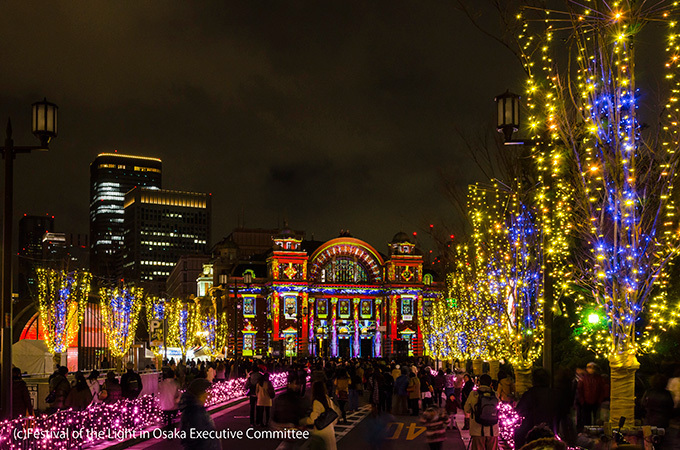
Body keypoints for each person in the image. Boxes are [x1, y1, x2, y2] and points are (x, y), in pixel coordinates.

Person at [514, 368, 560, 449]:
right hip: (551, 429)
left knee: (518, 437)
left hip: (531, 429)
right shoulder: (555, 394)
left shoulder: (530, 394)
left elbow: (519, 410)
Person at [180, 378, 220, 450]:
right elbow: (199, 439)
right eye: (206, 391)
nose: (208, 395)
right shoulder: (195, 413)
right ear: (200, 393)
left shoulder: (195, 409)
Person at [465, 374, 499, 450]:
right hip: (493, 430)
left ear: (479, 383)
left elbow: (466, 409)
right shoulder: (495, 394)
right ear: (491, 384)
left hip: (478, 430)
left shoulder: (474, 394)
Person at [302, 381, 340, 450]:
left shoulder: (317, 402)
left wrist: (303, 421)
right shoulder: (328, 399)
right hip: (330, 430)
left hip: (321, 433)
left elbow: (312, 420)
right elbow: (335, 413)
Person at [576, 362, 606, 430]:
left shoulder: (598, 378)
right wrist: (582, 401)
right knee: (586, 419)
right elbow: (580, 390)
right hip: (586, 402)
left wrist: (599, 400)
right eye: (589, 367)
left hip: (596, 401)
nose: (591, 369)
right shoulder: (584, 379)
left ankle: (595, 431)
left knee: (596, 419)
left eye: (593, 367)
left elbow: (602, 390)